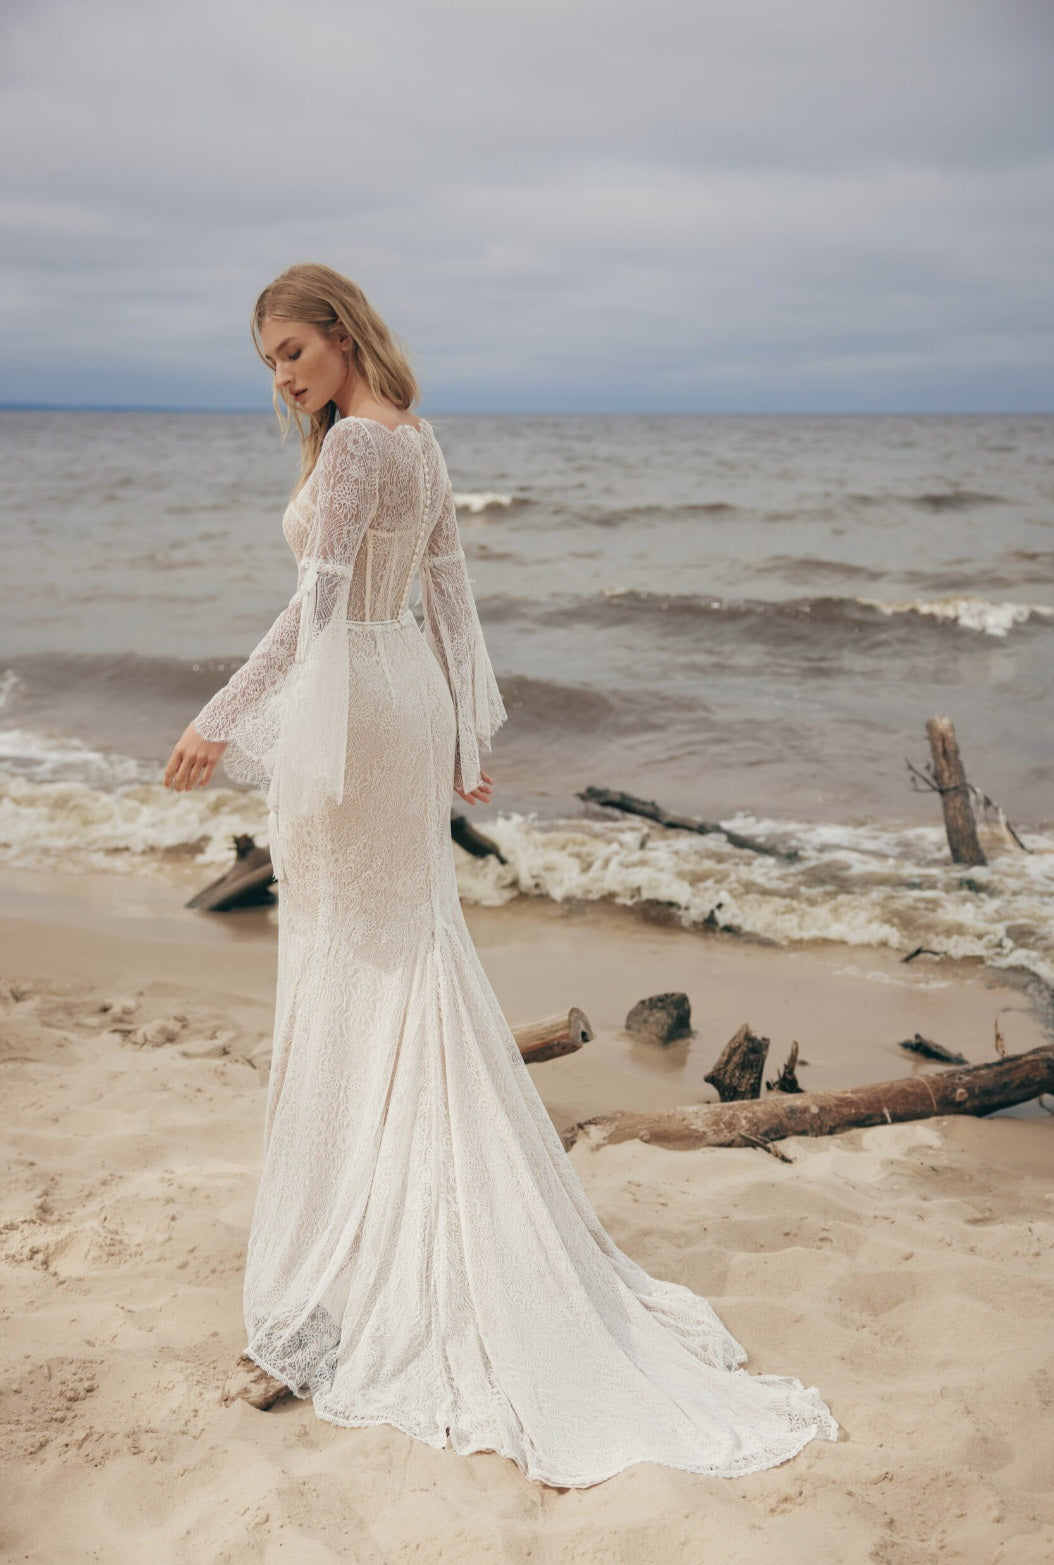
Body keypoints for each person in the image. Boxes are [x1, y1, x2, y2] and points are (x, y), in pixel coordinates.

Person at [163, 262, 839, 1488]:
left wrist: (219, 718)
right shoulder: (414, 438)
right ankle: (389, 1242)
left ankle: (354, 1273)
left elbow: (318, 616)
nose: (282, 376)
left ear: (341, 333)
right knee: (404, 958)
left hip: (355, 702)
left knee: (355, 971)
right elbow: (450, 598)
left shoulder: (361, 452)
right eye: (267, 362)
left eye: (292, 351)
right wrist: (466, 731)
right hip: (400, 704)